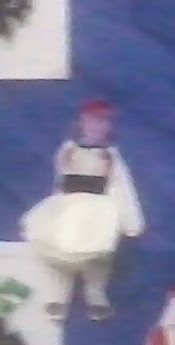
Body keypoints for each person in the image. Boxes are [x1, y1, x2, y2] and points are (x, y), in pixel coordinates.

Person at [20, 100, 143, 321]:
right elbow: (60, 179)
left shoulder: (109, 156)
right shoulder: (68, 151)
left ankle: (96, 295)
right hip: (69, 206)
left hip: (98, 209)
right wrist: (56, 206)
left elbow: (120, 184)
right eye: (93, 121)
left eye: (103, 122)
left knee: (99, 253)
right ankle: (59, 295)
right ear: (81, 123)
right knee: (61, 248)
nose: (98, 126)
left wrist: (129, 219)